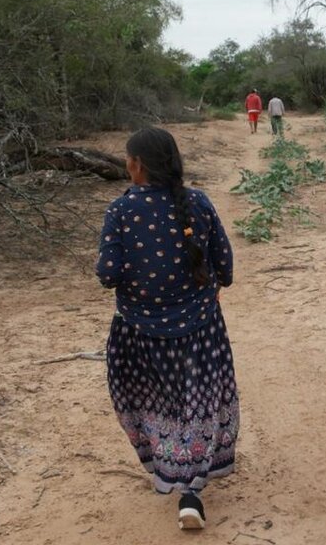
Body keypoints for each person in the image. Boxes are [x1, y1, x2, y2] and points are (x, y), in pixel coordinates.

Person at [96, 127, 238, 530]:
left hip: (138, 334)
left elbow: (107, 274)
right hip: (201, 331)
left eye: (128, 159)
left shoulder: (121, 210)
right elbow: (225, 269)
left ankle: (168, 470)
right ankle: (192, 489)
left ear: (138, 165)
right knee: (196, 402)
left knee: (156, 403)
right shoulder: (198, 202)